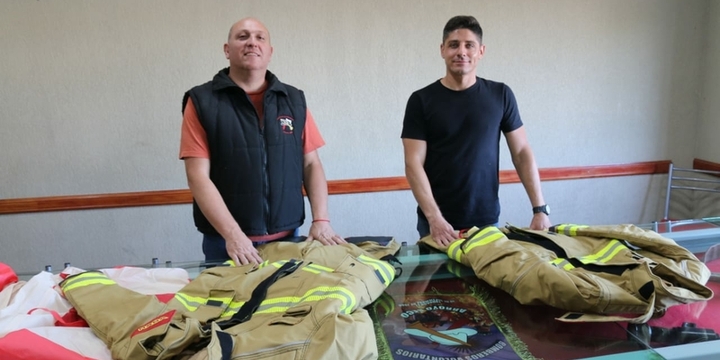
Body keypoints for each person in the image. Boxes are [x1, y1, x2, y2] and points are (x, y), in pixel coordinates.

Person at [179, 17, 345, 266]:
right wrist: (234, 235)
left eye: (260, 38)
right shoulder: (202, 101)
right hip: (227, 244)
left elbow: (311, 164)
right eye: (242, 36)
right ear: (227, 50)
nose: (252, 43)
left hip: (288, 239)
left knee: (285, 304)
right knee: (230, 305)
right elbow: (197, 177)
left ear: (269, 52)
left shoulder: (293, 100)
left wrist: (321, 220)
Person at [401, 15, 551, 247]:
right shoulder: (421, 100)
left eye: (469, 45)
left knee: (482, 284)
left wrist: (540, 209)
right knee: (439, 284)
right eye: (454, 45)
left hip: (485, 221)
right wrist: (435, 218)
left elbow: (521, 152)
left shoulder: (500, 95)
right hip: (436, 224)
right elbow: (413, 164)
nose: (461, 52)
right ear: (442, 50)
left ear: (480, 51)